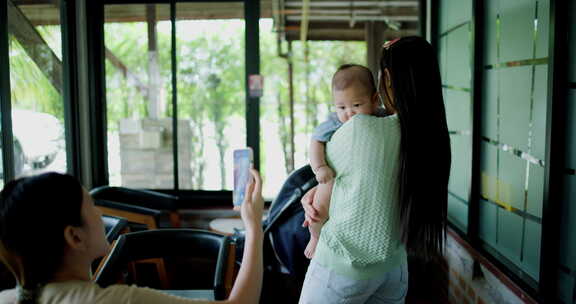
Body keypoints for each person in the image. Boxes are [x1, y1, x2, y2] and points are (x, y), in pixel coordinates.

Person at [299, 36, 451, 304]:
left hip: (343, 267)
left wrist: (315, 212)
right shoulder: (430, 138)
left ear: (388, 79)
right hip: (394, 269)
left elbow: (325, 196)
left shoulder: (359, 130)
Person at [0, 170, 265, 304]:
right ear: (74, 237)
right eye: (90, 206)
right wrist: (254, 229)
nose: (98, 212)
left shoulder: (9, 298)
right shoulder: (115, 300)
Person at [305, 64, 387, 259]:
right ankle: (315, 236)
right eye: (341, 107)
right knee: (318, 209)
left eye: (356, 105)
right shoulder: (334, 122)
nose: (349, 113)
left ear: (375, 100)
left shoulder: (383, 117)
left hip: (360, 180)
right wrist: (320, 167)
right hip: (331, 175)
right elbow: (316, 141)